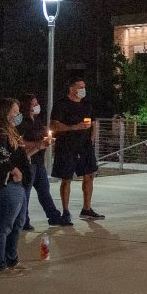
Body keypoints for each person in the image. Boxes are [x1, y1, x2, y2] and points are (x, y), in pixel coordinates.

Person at [0, 98, 48, 275]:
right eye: (15, 111)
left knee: (18, 224)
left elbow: (19, 156)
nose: (19, 115)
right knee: (3, 227)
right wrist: (14, 171)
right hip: (4, 186)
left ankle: (12, 260)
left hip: (18, 185)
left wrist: (38, 147)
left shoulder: (11, 132)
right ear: (5, 112)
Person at [50, 77, 104, 220]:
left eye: (84, 87)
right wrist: (74, 127)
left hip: (85, 146)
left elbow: (93, 122)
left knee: (89, 175)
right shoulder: (61, 104)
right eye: (80, 87)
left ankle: (86, 209)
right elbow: (54, 125)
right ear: (72, 89)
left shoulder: (87, 104)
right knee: (67, 178)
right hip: (67, 146)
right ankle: (66, 211)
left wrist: (92, 137)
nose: (83, 90)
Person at [18, 93, 68, 229]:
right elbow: (19, 142)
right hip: (28, 161)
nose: (37, 106)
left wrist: (47, 138)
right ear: (27, 106)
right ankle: (23, 221)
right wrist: (38, 143)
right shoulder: (22, 122)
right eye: (34, 104)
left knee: (44, 190)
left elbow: (42, 135)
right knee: (25, 193)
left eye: (37, 103)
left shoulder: (37, 120)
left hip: (39, 161)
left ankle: (54, 217)